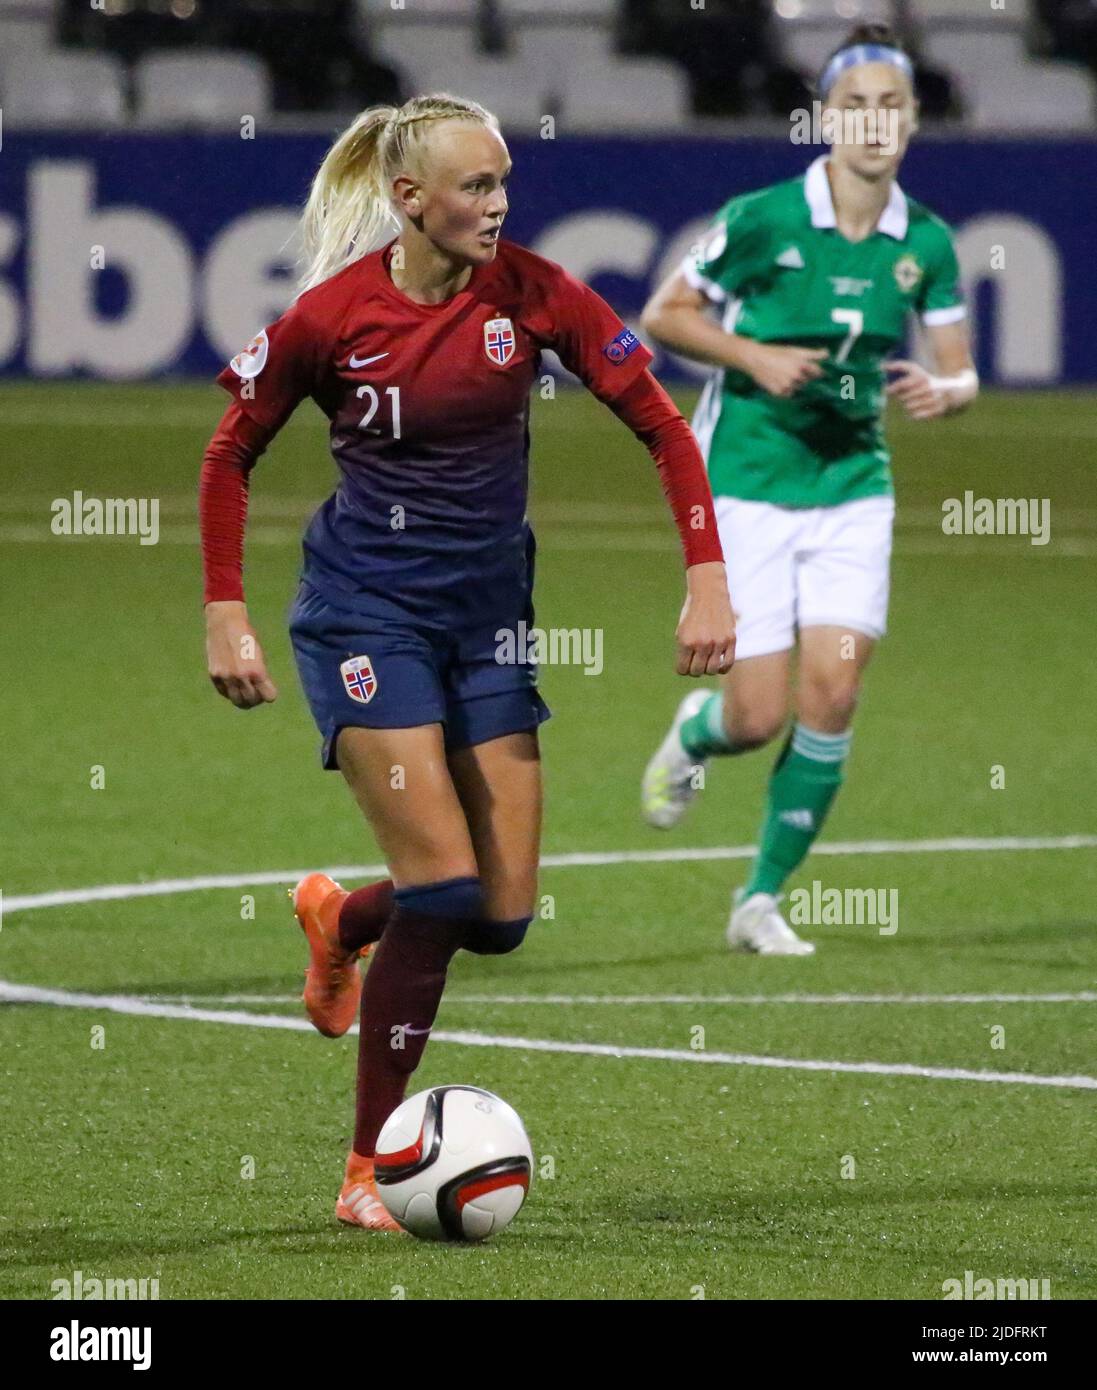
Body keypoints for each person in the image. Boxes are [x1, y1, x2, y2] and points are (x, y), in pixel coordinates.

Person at [199, 95, 735, 1229]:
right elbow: (231, 448)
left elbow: (661, 423)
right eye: (474, 187)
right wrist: (223, 611)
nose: (498, 204)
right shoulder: (331, 316)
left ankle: (341, 920)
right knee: (442, 887)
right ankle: (362, 1171)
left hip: (490, 624)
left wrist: (706, 573)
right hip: (363, 618)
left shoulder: (533, 294)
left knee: (498, 915)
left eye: (502, 183)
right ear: (407, 200)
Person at [640, 25, 977, 955]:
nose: (874, 122)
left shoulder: (929, 244)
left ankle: (759, 901)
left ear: (911, 120)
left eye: (891, 105)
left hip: (852, 484)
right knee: (757, 716)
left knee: (831, 693)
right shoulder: (761, 218)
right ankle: (697, 737)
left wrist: (940, 392)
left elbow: (960, 373)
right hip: (746, 476)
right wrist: (752, 354)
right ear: (826, 118)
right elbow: (664, 312)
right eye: (856, 105)